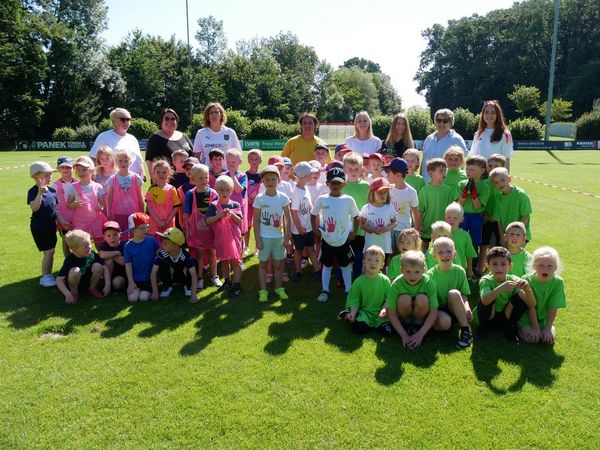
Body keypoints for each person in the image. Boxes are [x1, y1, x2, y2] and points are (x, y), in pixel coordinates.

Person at [311, 167, 360, 302]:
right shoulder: (322, 199)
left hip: (343, 239)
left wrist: (354, 232)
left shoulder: (348, 200)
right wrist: (315, 229)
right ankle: (325, 290)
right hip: (327, 239)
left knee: (345, 265)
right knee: (327, 265)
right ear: (327, 183)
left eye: (338, 183)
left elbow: (356, 216)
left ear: (344, 184)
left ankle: (348, 290)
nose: (335, 186)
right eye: (333, 183)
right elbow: (314, 213)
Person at [476, 246, 536, 342]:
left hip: (506, 315)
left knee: (521, 295)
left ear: (510, 266)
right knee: (485, 298)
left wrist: (527, 289)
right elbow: (484, 301)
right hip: (490, 316)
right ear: (488, 266)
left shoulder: (513, 279)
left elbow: (532, 304)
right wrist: (500, 288)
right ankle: (483, 327)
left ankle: (509, 326)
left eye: (503, 264)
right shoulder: (486, 280)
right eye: (494, 264)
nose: (499, 268)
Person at [253, 165, 292, 302]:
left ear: (279, 181)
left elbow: (287, 219)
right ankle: (263, 290)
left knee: (279, 264)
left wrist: (287, 237)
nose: (270, 182)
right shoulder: (259, 198)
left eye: (273, 179)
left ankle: (278, 288)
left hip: (278, 238)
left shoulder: (283, 197)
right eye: (267, 179)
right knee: (263, 264)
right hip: (264, 238)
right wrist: (257, 239)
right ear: (263, 181)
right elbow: (256, 220)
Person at [28, 161, 69, 287]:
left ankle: (48, 275)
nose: (50, 177)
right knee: (49, 251)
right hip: (39, 227)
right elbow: (34, 207)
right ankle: (46, 277)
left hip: (51, 226)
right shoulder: (33, 191)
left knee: (51, 251)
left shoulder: (51, 191)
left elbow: (55, 210)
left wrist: (62, 221)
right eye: (46, 175)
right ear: (36, 177)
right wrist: (40, 193)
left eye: (50, 174)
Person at [386, 250, 438, 349]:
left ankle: (418, 326)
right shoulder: (396, 284)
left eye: (417, 272)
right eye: (408, 272)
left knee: (422, 298)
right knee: (404, 299)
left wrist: (421, 333)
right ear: (401, 270)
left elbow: (434, 311)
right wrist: (403, 335)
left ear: (423, 270)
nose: (412, 276)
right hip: (404, 314)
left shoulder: (428, 283)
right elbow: (391, 313)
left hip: (421, 315)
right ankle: (406, 326)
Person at [427, 237, 473, 349]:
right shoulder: (429, 275)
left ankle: (466, 331)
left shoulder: (459, 271)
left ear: (454, 254)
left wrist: (466, 307)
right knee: (445, 324)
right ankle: (438, 323)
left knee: (454, 293)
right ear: (434, 255)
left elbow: (464, 294)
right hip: (438, 309)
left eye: (448, 251)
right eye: (440, 252)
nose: (445, 255)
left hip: (455, 306)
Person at [339, 245, 393, 335]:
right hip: (365, 313)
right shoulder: (359, 282)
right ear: (364, 262)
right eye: (369, 260)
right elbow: (354, 299)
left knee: (388, 331)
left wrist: (384, 310)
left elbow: (389, 298)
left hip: (380, 313)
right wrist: (353, 312)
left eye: (377, 260)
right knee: (359, 328)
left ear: (382, 265)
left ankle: (379, 324)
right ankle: (351, 314)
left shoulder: (385, 281)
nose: (373, 263)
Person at [519, 246, 567, 344]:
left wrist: (548, 329)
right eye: (541, 265)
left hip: (543, 319)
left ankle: (547, 328)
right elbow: (530, 306)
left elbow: (553, 307)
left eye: (550, 266)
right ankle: (518, 329)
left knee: (548, 340)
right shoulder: (526, 280)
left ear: (556, 267)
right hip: (527, 317)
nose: (545, 269)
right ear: (534, 266)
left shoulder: (558, 282)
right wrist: (535, 328)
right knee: (533, 339)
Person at [183, 164, 220, 289]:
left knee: (212, 253)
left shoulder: (213, 193)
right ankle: (199, 278)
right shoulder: (190, 194)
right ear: (193, 179)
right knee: (199, 255)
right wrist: (187, 230)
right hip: (197, 231)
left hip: (211, 231)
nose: (204, 180)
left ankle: (214, 276)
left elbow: (218, 211)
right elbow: (186, 214)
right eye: (200, 178)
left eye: (206, 177)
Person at [206, 175, 244, 297]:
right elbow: (208, 220)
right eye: (221, 190)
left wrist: (232, 214)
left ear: (231, 191)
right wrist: (219, 215)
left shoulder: (235, 205)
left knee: (235, 261)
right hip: (221, 238)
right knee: (224, 260)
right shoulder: (213, 205)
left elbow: (239, 221)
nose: (224, 192)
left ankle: (237, 285)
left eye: (227, 190)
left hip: (234, 239)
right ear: (217, 190)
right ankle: (227, 281)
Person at [89, 108, 145, 180]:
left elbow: (139, 160)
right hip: (112, 181)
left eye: (128, 119)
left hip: (133, 181)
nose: (126, 122)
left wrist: (143, 172)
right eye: (123, 119)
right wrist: (96, 176)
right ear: (114, 121)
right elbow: (93, 158)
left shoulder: (133, 138)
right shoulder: (104, 136)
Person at [56, 229, 109, 304]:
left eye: (89, 244)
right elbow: (59, 280)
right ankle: (74, 293)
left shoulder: (91, 254)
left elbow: (104, 267)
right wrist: (67, 294)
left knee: (98, 266)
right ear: (74, 250)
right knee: (75, 271)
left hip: (88, 281)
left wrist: (108, 284)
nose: (89, 247)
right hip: (74, 284)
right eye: (85, 246)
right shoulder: (70, 260)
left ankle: (92, 288)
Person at [150, 227, 198, 303]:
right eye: (162, 242)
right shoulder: (162, 254)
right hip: (171, 276)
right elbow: (153, 272)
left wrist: (194, 294)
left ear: (175, 245)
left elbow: (194, 274)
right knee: (162, 264)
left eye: (165, 243)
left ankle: (188, 285)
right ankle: (168, 286)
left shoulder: (185, 255)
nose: (162, 245)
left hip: (183, 276)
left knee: (194, 263)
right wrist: (155, 292)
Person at [289, 162, 320, 282]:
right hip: (299, 230)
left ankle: (317, 270)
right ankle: (298, 271)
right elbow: (294, 211)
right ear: (304, 176)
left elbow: (310, 205)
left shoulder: (305, 188)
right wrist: (299, 228)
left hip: (308, 227)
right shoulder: (296, 192)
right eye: (310, 174)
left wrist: (315, 218)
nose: (312, 175)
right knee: (298, 251)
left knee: (311, 249)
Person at [418, 158, 457, 251]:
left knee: (442, 246)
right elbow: (420, 210)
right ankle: (424, 259)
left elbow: (451, 208)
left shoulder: (448, 190)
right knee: (425, 245)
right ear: (431, 173)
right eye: (441, 171)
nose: (444, 173)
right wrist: (419, 224)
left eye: (445, 170)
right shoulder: (424, 190)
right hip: (427, 224)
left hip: (444, 225)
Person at [67, 156, 108, 245]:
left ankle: (101, 254)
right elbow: (68, 204)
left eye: (84, 170)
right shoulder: (73, 187)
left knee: (99, 243)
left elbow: (103, 204)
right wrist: (73, 204)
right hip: (80, 221)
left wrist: (100, 207)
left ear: (92, 170)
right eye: (78, 170)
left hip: (96, 220)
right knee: (82, 244)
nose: (81, 172)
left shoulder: (98, 187)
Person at [342, 152, 370, 279]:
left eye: (356, 169)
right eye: (350, 169)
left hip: (361, 229)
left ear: (362, 168)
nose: (353, 172)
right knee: (344, 253)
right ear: (344, 169)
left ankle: (357, 278)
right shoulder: (341, 186)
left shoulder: (366, 186)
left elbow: (370, 206)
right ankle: (342, 278)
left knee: (359, 254)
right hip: (344, 228)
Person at [384, 158, 420, 254]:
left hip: (403, 230)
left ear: (398, 175)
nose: (387, 174)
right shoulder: (388, 188)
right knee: (389, 253)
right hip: (389, 228)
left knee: (402, 254)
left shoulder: (411, 192)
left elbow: (415, 211)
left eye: (389, 172)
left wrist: (416, 229)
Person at [106, 149, 144, 239]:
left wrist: (142, 211)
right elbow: (109, 197)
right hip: (118, 212)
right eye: (120, 161)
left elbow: (140, 196)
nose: (123, 163)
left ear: (130, 162)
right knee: (122, 235)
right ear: (116, 162)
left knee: (135, 235)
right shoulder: (112, 179)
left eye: (126, 161)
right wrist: (109, 212)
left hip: (134, 212)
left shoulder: (136, 177)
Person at [421, 109, 467, 183]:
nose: (441, 123)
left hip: (446, 184)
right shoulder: (429, 138)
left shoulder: (457, 139)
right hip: (426, 183)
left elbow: (461, 163)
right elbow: (424, 160)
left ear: (451, 122)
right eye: (438, 120)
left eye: (445, 121)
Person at [489, 167, 533, 245]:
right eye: (496, 182)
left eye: (502, 180)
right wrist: (502, 238)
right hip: (507, 236)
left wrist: (516, 233)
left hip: (520, 235)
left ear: (509, 179)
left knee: (516, 252)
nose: (500, 184)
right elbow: (498, 221)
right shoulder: (498, 197)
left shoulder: (521, 194)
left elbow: (525, 216)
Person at [457, 155, 489, 260]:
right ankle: (460, 259)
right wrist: (464, 194)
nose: (468, 171)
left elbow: (477, 206)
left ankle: (473, 263)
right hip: (462, 215)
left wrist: (474, 195)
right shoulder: (462, 184)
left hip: (476, 216)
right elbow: (459, 204)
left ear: (482, 171)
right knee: (460, 238)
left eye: (472, 169)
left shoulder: (484, 187)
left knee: (474, 241)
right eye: (467, 169)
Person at [479, 154, 507, 275]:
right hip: (486, 219)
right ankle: (480, 269)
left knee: (499, 245)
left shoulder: (503, 184)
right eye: (490, 165)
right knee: (484, 245)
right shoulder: (484, 183)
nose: (492, 168)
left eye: (496, 166)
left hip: (499, 220)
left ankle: (497, 269)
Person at [145, 108, 193, 177]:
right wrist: (155, 180)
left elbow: (193, 156)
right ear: (162, 121)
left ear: (177, 121)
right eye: (167, 119)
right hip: (166, 180)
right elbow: (150, 162)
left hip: (188, 178)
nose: (170, 121)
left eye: (173, 119)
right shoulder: (155, 138)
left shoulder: (183, 136)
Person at [193, 102, 241, 169]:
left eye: (216, 112)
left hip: (227, 172)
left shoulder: (230, 132)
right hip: (207, 172)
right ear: (208, 116)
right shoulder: (201, 133)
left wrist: (234, 171)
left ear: (221, 115)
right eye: (211, 113)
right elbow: (196, 156)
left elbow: (237, 154)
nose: (214, 114)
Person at [124, 212, 160, 302]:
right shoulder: (128, 246)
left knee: (143, 298)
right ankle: (136, 288)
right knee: (132, 299)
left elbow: (159, 254)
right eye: (142, 228)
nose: (145, 230)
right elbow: (128, 265)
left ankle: (149, 289)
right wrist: (131, 282)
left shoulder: (151, 240)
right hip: (135, 279)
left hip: (149, 279)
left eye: (146, 227)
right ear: (133, 230)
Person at [470, 100, 514, 172]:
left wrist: (505, 177)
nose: (489, 115)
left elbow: (506, 160)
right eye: (486, 112)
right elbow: (473, 158)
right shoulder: (478, 134)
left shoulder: (505, 134)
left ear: (498, 115)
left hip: (496, 176)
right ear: (483, 114)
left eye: (493, 112)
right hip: (479, 176)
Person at [359, 178, 397, 260]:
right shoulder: (366, 208)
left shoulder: (390, 207)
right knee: (369, 264)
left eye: (385, 192)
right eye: (379, 192)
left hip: (385, 246)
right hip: (370, 245)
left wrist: (385, 229)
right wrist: (372, 229)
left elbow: (394, 222)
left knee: (383, 265)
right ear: (372, 193)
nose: (382, 195)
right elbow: (361, 224)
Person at [145, 159, 181, 241]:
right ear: (154, 174)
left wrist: (167, 221)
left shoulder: (172, 189)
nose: (161, 174)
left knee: (168, 244)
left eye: (164, 172)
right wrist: (158, 221)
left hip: (168, 225)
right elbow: (149, 208)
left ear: (169, 173)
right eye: (158, 172)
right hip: (154, 225)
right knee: (155, 245)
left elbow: (176, 207)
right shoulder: (151, 190)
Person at [444, 202, 477, 278]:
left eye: (455, 218)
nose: (452, 220)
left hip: (460, 268)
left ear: (461, 219)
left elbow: (469, 254)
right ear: (445, 217)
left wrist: (469, 269)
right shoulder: (442, 233)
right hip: (443, 267)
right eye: (449, 217)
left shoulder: (465, 235)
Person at [51, 156, 75, 257]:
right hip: (63, 219)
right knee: (66, 240)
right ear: (58, 169)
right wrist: (60, 220)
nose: (65, 169)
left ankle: (78, 260)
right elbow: (54, 205)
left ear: (73, 168)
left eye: (68, 167)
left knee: (78, 240)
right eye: (62, 167)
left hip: (77, 218)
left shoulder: (78, 183)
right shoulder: (55, 185)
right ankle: (68, 260)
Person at [98, 221, 127, 292]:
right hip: (108, 273)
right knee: (108, 260)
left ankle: (114, 287)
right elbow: (102, 255)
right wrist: (116, 253)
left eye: (115, 234)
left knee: (117, 283)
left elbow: (123, 262)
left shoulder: (125, 245)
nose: (112, 238)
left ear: (120, 234)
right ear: (104, 237)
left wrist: (110, 255)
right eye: (108, 235)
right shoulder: (104, 245)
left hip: (121, 274)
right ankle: (107, 284)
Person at [225, 149, 248, 235]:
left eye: (233, 162)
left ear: (240, 162)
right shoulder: (223, 175)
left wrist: (232, 176)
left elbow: (238, 190)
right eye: (228, 162)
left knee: (239, 234)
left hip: (238, 211)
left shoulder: (242, 176)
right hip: (226, 210)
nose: (230, 164)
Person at [245, 149, 262, 254]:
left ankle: (257, 247)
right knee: (247, 226)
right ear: (248, 160)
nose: (254, 161)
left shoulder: (263, 176)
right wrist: (247, 199)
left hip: (258, 206)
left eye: (256, 159)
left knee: (258, 226)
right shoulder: (244, 175)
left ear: (260, 161)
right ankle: (246, 246)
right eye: (251, 159)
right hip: (247, 205)